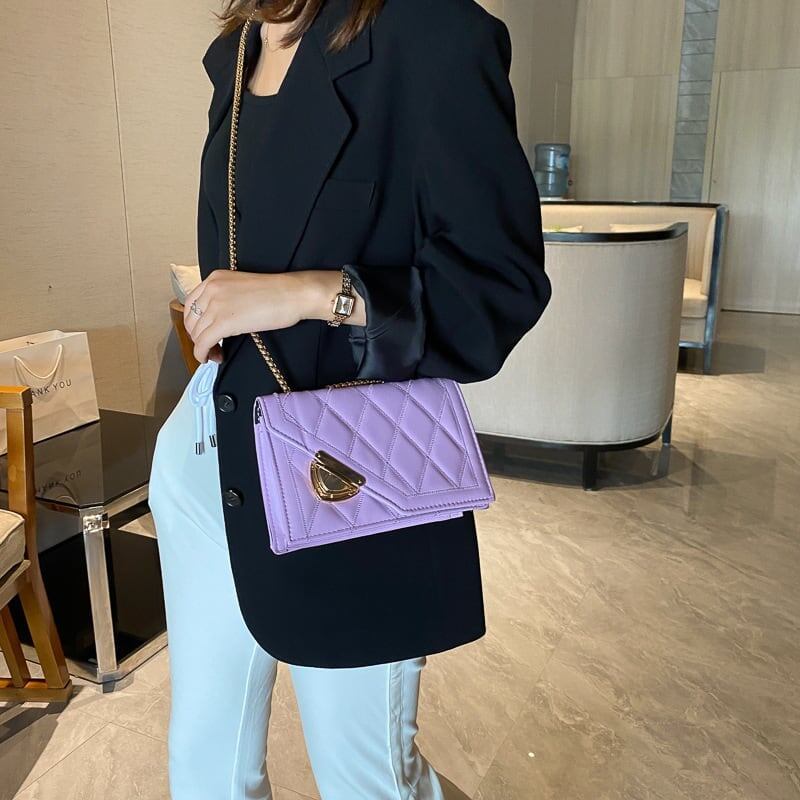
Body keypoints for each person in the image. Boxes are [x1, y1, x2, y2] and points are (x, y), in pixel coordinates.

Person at [148, 0, 551, 797]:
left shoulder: (429, 35)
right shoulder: (235, 52)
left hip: (345, 475)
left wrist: (310, 293)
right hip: (206, 453)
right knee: (203, 767)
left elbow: (496, 288)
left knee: (364, 780)